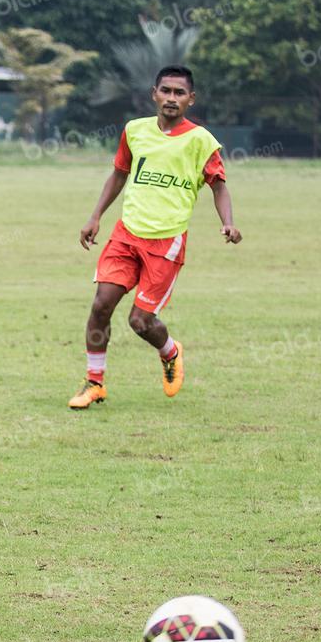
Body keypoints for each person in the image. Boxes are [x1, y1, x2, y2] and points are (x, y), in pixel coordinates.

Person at [69, 65, 241, 410]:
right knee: (101, 305)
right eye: (166, 91)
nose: (171, 98)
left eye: (179, 93)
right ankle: (94, 382)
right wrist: (95, 216)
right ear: (154, 94)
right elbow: (118, 174)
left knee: (140, 321)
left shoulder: (201, 140)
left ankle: (170, 351)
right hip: (126, 235)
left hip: (166, 242)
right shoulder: (135, 131)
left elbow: (219, 186)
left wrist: (228, 223)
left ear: (191, 99)